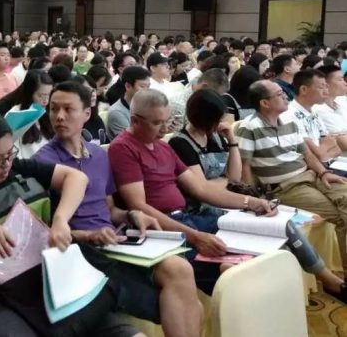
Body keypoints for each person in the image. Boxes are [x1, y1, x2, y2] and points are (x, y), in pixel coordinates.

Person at [0, 110, 143, 337]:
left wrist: (60, 220)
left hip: (51, 282)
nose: (6, 165)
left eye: (10, 154)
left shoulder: (20, 170)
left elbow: (77, 178)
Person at [34, 81, 203, 337]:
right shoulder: (43, 162)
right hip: (81, 250)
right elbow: (44, 229)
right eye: (54, 109)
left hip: (115, 241)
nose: (59, 116)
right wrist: (88, 235)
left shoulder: (98, 155)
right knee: (184, 304)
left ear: (87, 114)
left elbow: (110, 209)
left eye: (68, 109)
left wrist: (132, 215)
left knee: (180, 269)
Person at [171, 89, 347, 302]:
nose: (221, 123)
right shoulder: (180, 143)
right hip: (205, 210)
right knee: (275, 230)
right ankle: (320, 283)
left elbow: (234, 178)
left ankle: (326, 281)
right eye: (217, 119)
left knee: (283, 226)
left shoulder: (216, 136)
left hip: (228, 201)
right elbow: (202, 190)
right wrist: (228, 185)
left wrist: (232, 141)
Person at [109, 89, 273, 294]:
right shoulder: (123, 148)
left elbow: (201, 189)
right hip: (160, 228)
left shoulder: (163, 147)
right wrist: (194, 237)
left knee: (258, 239)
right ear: (135, 121)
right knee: (229, 271)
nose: (164, 129)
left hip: (188, 218)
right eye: (157, 123)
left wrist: (250, 202)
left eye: (167, 121)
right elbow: (139, 206)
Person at [238, 80, 347, 274]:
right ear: (265, 103)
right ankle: (341, 273)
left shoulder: (289, 122)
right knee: (341, 216)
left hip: (311, 175)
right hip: (286, 186)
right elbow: (244, 166)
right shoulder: (249, 127)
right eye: (279, 94)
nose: (286, 97)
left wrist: (323, 172)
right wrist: (253, 199)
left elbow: (307, 155)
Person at [279, 69, 340, 163]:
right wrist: (324, 149)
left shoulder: (313, 111)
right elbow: (315, 156)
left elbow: (337, 149)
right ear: (304, 90)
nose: (326, 92)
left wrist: (323, 151)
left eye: (326, 87)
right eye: (321, 87)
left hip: (329, 163)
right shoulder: (289, 115)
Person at [168, 68, 229, 133]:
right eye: (216, 94)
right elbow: (175, 136)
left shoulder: (209, 105)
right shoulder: (178, 104)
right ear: (204, 87)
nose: (218, 99)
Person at [106, 66, 150, 140]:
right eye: (142, 87)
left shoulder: (148, 106)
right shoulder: (117, 112)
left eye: (148, 86)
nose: (147, 90)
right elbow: (131, 141)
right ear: (128, 86)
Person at [314, 65, 347, 148]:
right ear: (325, 84)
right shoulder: (317, 110)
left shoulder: (342, 100)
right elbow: (342, 142)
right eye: (340, 80)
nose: (345, 83)